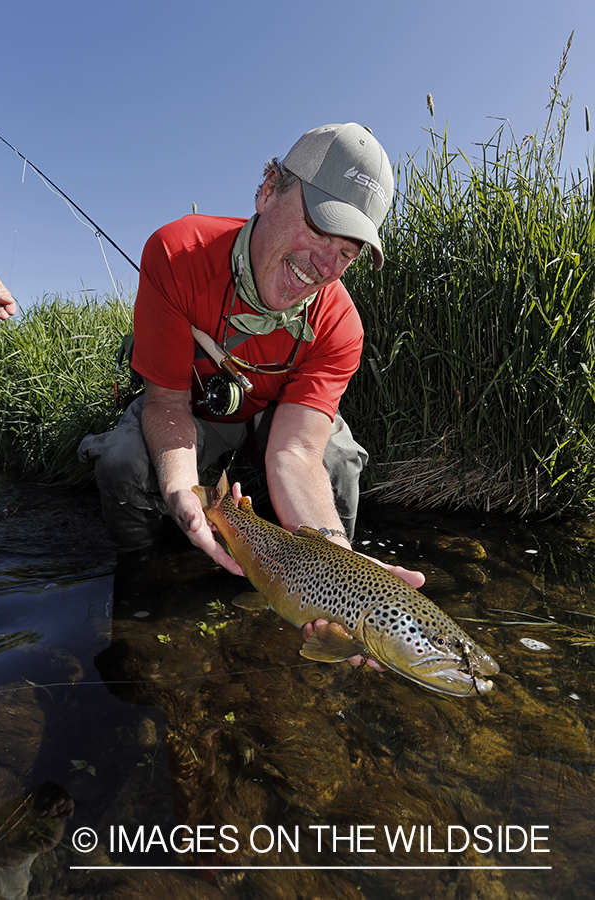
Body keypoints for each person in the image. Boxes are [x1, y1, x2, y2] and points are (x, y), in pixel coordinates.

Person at [79, 123, 424, 667]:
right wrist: (182, 495)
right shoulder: (177, 253)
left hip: (280, 422)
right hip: (190, 409)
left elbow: (297, 451)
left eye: (349, 253)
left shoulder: (341, 325)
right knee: (124, 464)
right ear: (268, 191)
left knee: (339, 466)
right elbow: (166, 404)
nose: (326, 267)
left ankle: (313, 610)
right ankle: (146, 590)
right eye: (320, 229)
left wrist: (341, 566)